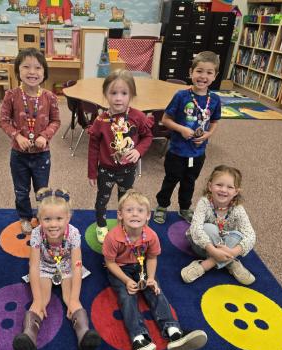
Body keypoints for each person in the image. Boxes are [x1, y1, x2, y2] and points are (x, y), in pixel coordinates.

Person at [103, 189, 208, 350]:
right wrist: (126, 280)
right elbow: (110, 263)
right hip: (120, 268)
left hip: (142, 266)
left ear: (148, 216)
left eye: (140, 210)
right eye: (129, 210)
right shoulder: (113, 237)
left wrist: (151, 278)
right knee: (126, 296)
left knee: (156, 291)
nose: (134, 214)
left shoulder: (151, 236)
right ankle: (139, 338)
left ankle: (174, 332)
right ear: (120, 214)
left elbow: (152, 258)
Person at [13, 188, 101, 350]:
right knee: (40, 302)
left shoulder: (74, 233)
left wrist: (75, 298)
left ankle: (84, 336)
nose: (53, 224)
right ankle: (28, 339)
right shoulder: (37, 233)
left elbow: (77, 266)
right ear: (39, 219)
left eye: (59, 219)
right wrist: (38, 299)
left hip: (67, 268)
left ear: (68, 218)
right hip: (44, 268)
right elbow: (33, 265)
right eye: (47, 219)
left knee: (71, 301)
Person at [154, 51, 221, 225]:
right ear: (191, 72)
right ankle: (161, 206)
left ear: (215, 76)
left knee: (189, 182)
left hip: (198, 153)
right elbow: (165, 119)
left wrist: (209, 134)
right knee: (170, 180)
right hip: (177, 151)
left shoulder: (214, 100)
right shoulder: (181, 96)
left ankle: (184, 207)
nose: (203, 76)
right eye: (199, 71)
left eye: (209, 72)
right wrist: (181, 129)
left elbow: (214, 121)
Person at [0, 47, 61, 235]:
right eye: (26, 67)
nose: (32, 72)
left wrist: (45, 136)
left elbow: (56, 120)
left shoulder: (50, 97)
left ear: (44, 72)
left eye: (38, 68)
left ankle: (43, 217)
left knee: (42, 190)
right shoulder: (11, 95)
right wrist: (17, 136)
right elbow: (3, 120)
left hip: (42, 155)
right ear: (18, 70)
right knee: (21, 190)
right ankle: (25, 217)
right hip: (19, 155)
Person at [88, 69, 153, 243]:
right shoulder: (101, 120)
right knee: (102, 199)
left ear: (131, 94)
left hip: (128, 170)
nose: (118, 98)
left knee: (125, 201)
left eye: (124, 93)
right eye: (113, 93)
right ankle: (101, 225)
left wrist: (139, 150)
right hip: (106, 170)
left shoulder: (138, 117)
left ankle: (122, 225)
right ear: (105, 94)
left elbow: (147, 137)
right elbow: (93, 147)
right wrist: (92, 172)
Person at [181, 165, 256, 285]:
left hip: (228, 247)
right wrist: (214, 251)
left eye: (230, 187)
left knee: (237, 235)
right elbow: (196, 230)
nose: (223, 190)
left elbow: (251, 235)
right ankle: (230, 262)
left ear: (236, 192)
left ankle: (206, 265)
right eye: (219, 185)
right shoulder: (204, 203)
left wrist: (233, 252)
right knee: (208, 228)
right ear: (210, 186)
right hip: (203, 247)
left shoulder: (238, 209)